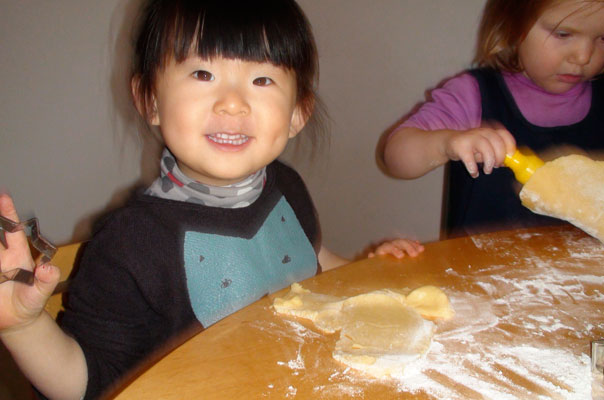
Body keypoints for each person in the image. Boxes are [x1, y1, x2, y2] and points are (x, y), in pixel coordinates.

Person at [0, 1, 423, 399]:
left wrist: (368, 275)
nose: (233, 103)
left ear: (298, 112)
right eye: (203, 74)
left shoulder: (286, 187)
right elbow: (87, 381)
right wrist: (23, 328)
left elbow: (313, 261)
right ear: (150, 100)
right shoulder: (130, 245)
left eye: (262, 79)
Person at [381, 0, 604, 238]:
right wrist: (447, 143)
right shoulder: (474, 93)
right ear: (513, 26)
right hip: (476, 271)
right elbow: (395, 157)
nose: (583, 56)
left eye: (603, 38)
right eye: (563, 34)